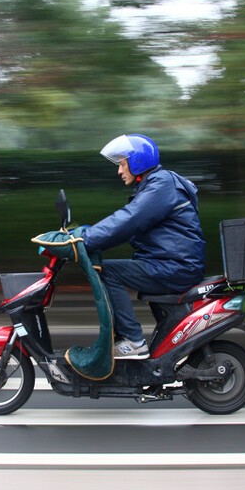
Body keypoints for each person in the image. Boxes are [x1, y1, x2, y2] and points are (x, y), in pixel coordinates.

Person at [80, 134, 206, 359]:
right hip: (171, 263)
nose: (119, 171)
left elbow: (129, 220)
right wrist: (84, 234)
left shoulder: (161, 185)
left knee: (108, 272)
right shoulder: (156, 185)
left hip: (175, 266)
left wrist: (86, 239)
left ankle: (133, 341)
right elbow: (125, 223)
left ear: (137, 161)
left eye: (121, 164)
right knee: (111, 268)